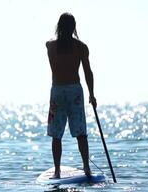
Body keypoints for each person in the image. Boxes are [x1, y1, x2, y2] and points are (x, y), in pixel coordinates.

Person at [46, 13, 97, 179]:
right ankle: (86, 167)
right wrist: (92, 94)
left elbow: (88, 72)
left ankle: (57, 171)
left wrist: (91, 94)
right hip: (74, 91)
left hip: (58, 92)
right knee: (81, 133)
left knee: (56, 134)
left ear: (59, 26)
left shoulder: (50, 46)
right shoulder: (81, 47)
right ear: (74, 27)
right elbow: (88, 73)